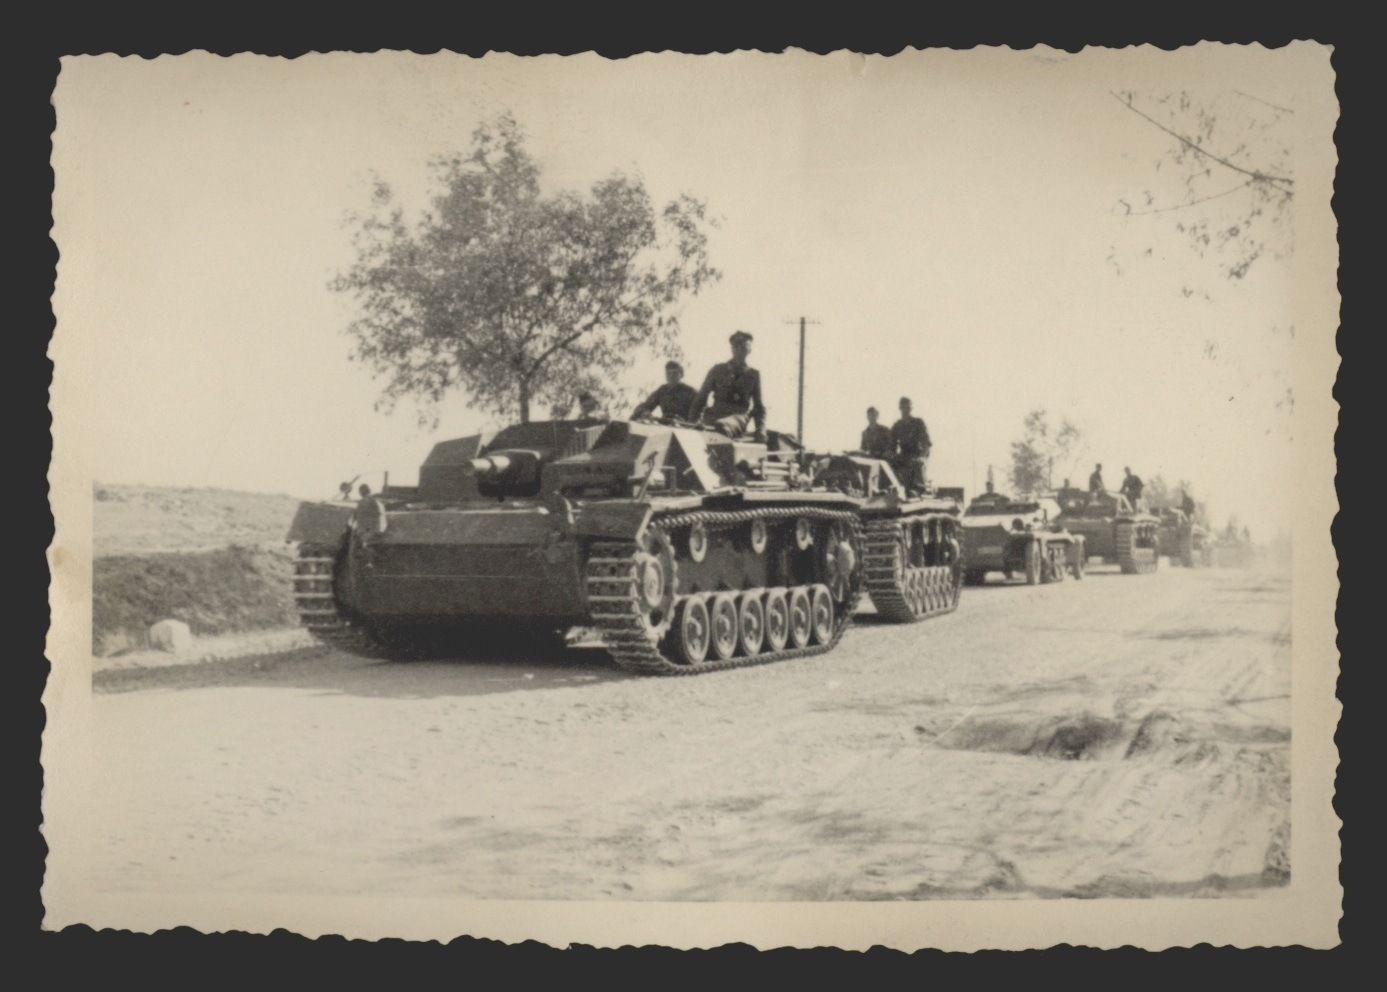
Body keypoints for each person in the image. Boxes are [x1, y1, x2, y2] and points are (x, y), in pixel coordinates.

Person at [689, 330, 766, 439]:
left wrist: (761, 429)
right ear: (732, 348)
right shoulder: (718, 370)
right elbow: (701, 397)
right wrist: (692, 421)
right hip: (715, 414)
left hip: (737, 417)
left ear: (749, 350)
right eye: (736, 346)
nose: (740, 350)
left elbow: (759, 407)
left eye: (744, 347)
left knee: (722, 426)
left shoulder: (753, 375)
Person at [631, 360, 699, 421]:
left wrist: (687, 421)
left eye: (675, 373)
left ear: (681, 375)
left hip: (685, 427)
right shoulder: (662, 391)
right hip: (665, 425)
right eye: (668, 373)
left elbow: (699, 412)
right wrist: (644, 412)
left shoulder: (690, 392)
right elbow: (645, 406)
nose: (671, 376)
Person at [889, 396, 931, 493]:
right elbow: (892, 446)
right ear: (900, 408)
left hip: (917, 454)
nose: (906, 410)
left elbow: (926, 444)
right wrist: (890, 455)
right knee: (887, 463)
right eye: (903, 407)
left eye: (908, 407)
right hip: (903, 455)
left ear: (911, 408)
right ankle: (893, 489)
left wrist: (922, 457)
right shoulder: (897, 425)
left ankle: (919, 489)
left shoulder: (918, 423)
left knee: (916, 464)